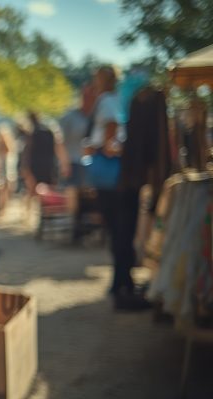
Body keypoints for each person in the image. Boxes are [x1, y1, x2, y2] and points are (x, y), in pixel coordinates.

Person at [86, 65, 151, 311]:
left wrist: (99, 146)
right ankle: (122, 284)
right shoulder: (111, 101)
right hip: (113, 179)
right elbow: (110, 138)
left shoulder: (108, 101)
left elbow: (108, 135)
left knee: (119, 233)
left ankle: (121, 283)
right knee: (121, 233)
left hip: (111, 180)